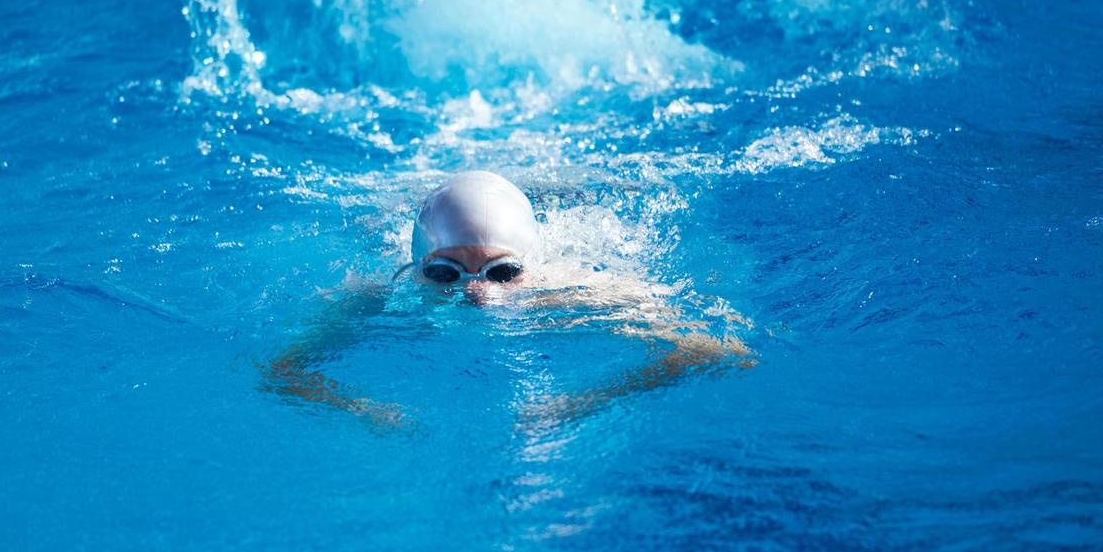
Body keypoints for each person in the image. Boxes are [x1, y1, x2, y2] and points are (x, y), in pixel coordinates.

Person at [260, 170, 755, 431]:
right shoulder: (374, 298)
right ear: (414, 270)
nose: (474, 293)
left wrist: (579, 404)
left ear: (531, 268)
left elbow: (718, 349)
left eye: (503, 273)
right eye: (442, 273)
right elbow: (280, 370)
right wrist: (365, 410)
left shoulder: (578, 291)